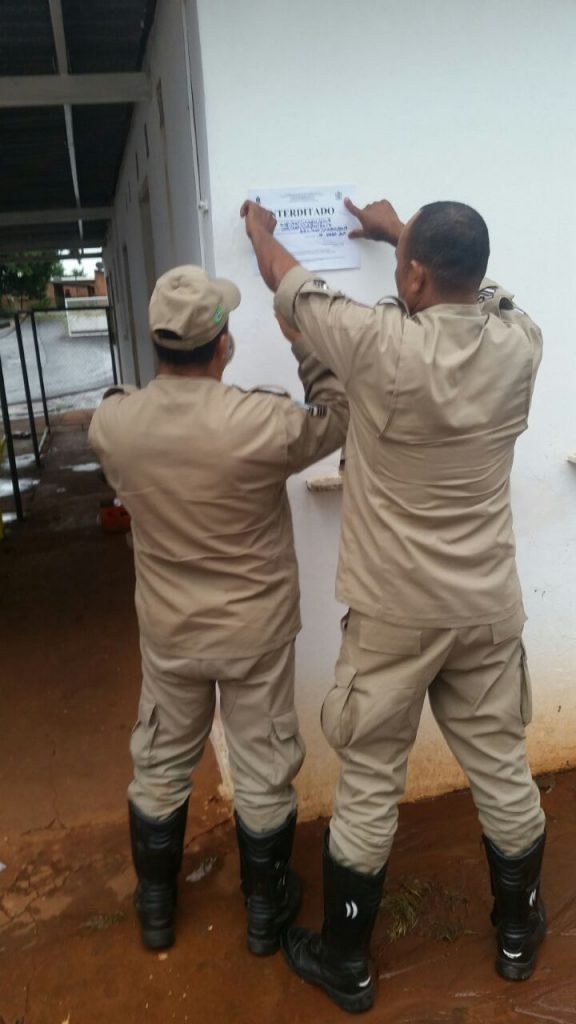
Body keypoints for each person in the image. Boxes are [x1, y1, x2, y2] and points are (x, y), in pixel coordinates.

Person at [240, 196, 546, 1013]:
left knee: (371, 779)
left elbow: (288, 283)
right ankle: (519, 936)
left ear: (411, 277)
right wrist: (402, 231)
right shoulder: (522, 342)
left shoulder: (377, 344)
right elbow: (472, 287)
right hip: (485, 607)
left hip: (393, 616)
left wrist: (262, 232)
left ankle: (347, 960)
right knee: (502, 767)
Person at [88, 265, 348, 955]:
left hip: (171, 633)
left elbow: (119, 434)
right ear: (223, 344)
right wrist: (306, 346)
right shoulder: (262, 422)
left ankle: (155, 906)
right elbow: (337, 416)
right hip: (254, 633)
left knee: (160, 762)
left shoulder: (114, 425)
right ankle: (265, 913)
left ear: (155, 343)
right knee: (263, 765)